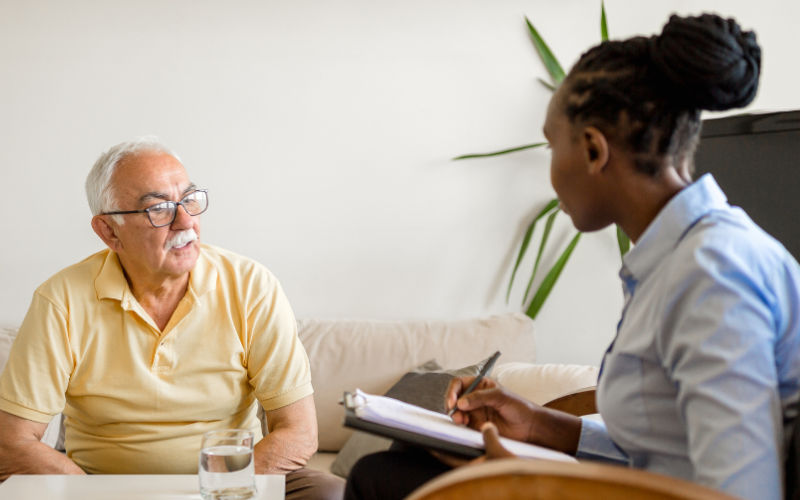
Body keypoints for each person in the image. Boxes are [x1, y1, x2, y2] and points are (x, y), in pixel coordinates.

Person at [345, 13, 800, 500]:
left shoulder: (714, 273)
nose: (550, 169)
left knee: (381, 481)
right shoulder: (679, 261)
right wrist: (542, 427)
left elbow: (739, 492)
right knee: (395, 467)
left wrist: (540, 484)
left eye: (549, 146)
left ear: (591, 150)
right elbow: (665, 455)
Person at [0, 137, 344, 499]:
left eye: (190, 200)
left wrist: (216, 492)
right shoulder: (61, 300)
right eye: (159, 209)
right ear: (109, 231)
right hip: (104, 488)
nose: (186, 222)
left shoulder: (250, 285)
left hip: (232, 485)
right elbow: (12, 442)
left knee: (329, 492)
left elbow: (299, 433)